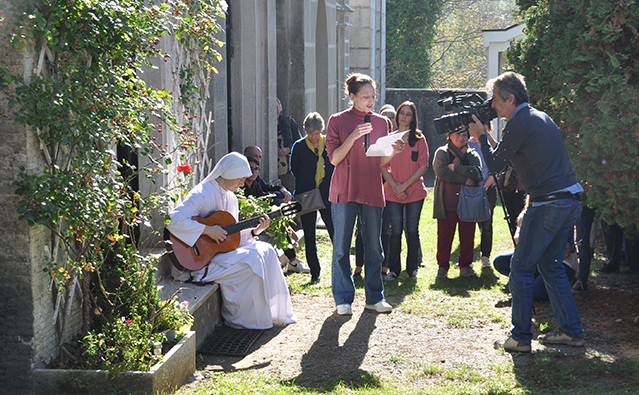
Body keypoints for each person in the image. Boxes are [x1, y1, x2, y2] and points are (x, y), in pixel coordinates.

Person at [469, 71, 584, 353]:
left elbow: (495, 165)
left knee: (520, 268)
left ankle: (520, 337)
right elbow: (513, 156)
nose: (493, 106)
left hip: (548, 204)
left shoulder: (520, 121)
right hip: (569, 200)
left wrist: (481, 137)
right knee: (550, 266)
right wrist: (487, 139)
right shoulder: (537, 117)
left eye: (495, 100)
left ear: (510, 99)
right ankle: (571, 332)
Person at [166, 152, 297, 329]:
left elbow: (231, 238)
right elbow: (173, 220)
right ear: (228, 173)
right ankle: (243, 320)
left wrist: (255, 231)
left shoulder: (231, 198)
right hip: (202, 260)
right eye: (240, 179)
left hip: (220, 253)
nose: (242, 184)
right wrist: (206, 230)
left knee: (266, 250)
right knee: (252, 260)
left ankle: (273, 313)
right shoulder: (202, 193)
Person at [325, 73, 403, 316]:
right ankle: (343, 299)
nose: (371, 100)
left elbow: (381, 161)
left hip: (371, 188)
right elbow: (335, 158)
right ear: (352, 97)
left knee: (374, 247)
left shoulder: (382, 122)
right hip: (344, 190)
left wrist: (395, 152)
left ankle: (374, 297)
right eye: (365, 96)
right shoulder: (337, 120)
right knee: (341, 247)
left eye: (373, 96)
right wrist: (354, 136)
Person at [382, 101, 429, 281]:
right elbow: (383, 166)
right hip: (393, 192)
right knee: (395, 232)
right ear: (397, 116)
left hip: (414, 192)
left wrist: (405, 186)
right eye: (402, 113)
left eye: (408, 114)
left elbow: (423, 166)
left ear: (413, 118)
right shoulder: (389, 138)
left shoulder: (419, 139)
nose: (404, 117)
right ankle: (394, 269)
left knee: (411, 231)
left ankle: (412, 269)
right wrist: (395, 186)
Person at [242, 154, 309, 274]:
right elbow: (263, 197)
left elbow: (269, 188)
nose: (253, 172)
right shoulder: (240, 185)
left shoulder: (256, 181)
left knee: (280, 226)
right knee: (278, 227)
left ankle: (293, 262)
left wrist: (282, 189)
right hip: (247, 222)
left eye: (256, 169)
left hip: (261, 220)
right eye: (250, 169)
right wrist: (280, 195)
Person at [290, 112, 335, 284]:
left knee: (333, 231)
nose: (314, 137)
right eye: (310, 134)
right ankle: (315, 273)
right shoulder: (299, 146)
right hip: (306, 193)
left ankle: (338, 269)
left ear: (322, 131)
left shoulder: (329, 144)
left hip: (327, 192)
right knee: (309, 235)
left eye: (316, 134)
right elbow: (294, 168)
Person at [432, 127, 482, 279]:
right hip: (447, 202)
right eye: (458, 134)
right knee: (444, 236)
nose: (461, 137)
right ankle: (442, 266)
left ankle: (466, 265)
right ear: (450, 135)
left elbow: (477, 173)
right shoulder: (442, 152)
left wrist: (457, 168)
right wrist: (464, 178)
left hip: (467, 202)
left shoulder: (472, 154)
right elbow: (442, 172)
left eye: (464, 134)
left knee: (468, 235)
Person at [468, 134, 497, 269]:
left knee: (486, 223)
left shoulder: (489, 145)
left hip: (488, 189)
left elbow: (494, 169)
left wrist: (485, 187)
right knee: (468, 224)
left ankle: (485, 256)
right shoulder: (467, 144)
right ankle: (467, 258)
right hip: (471, 190)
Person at [276, 98, 302, 192]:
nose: (275, 111)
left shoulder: (289, 122)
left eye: (277, 108)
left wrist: (288, 149)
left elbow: (299, 142)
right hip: (272, 168)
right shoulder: (263, 124)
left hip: (287, 168)